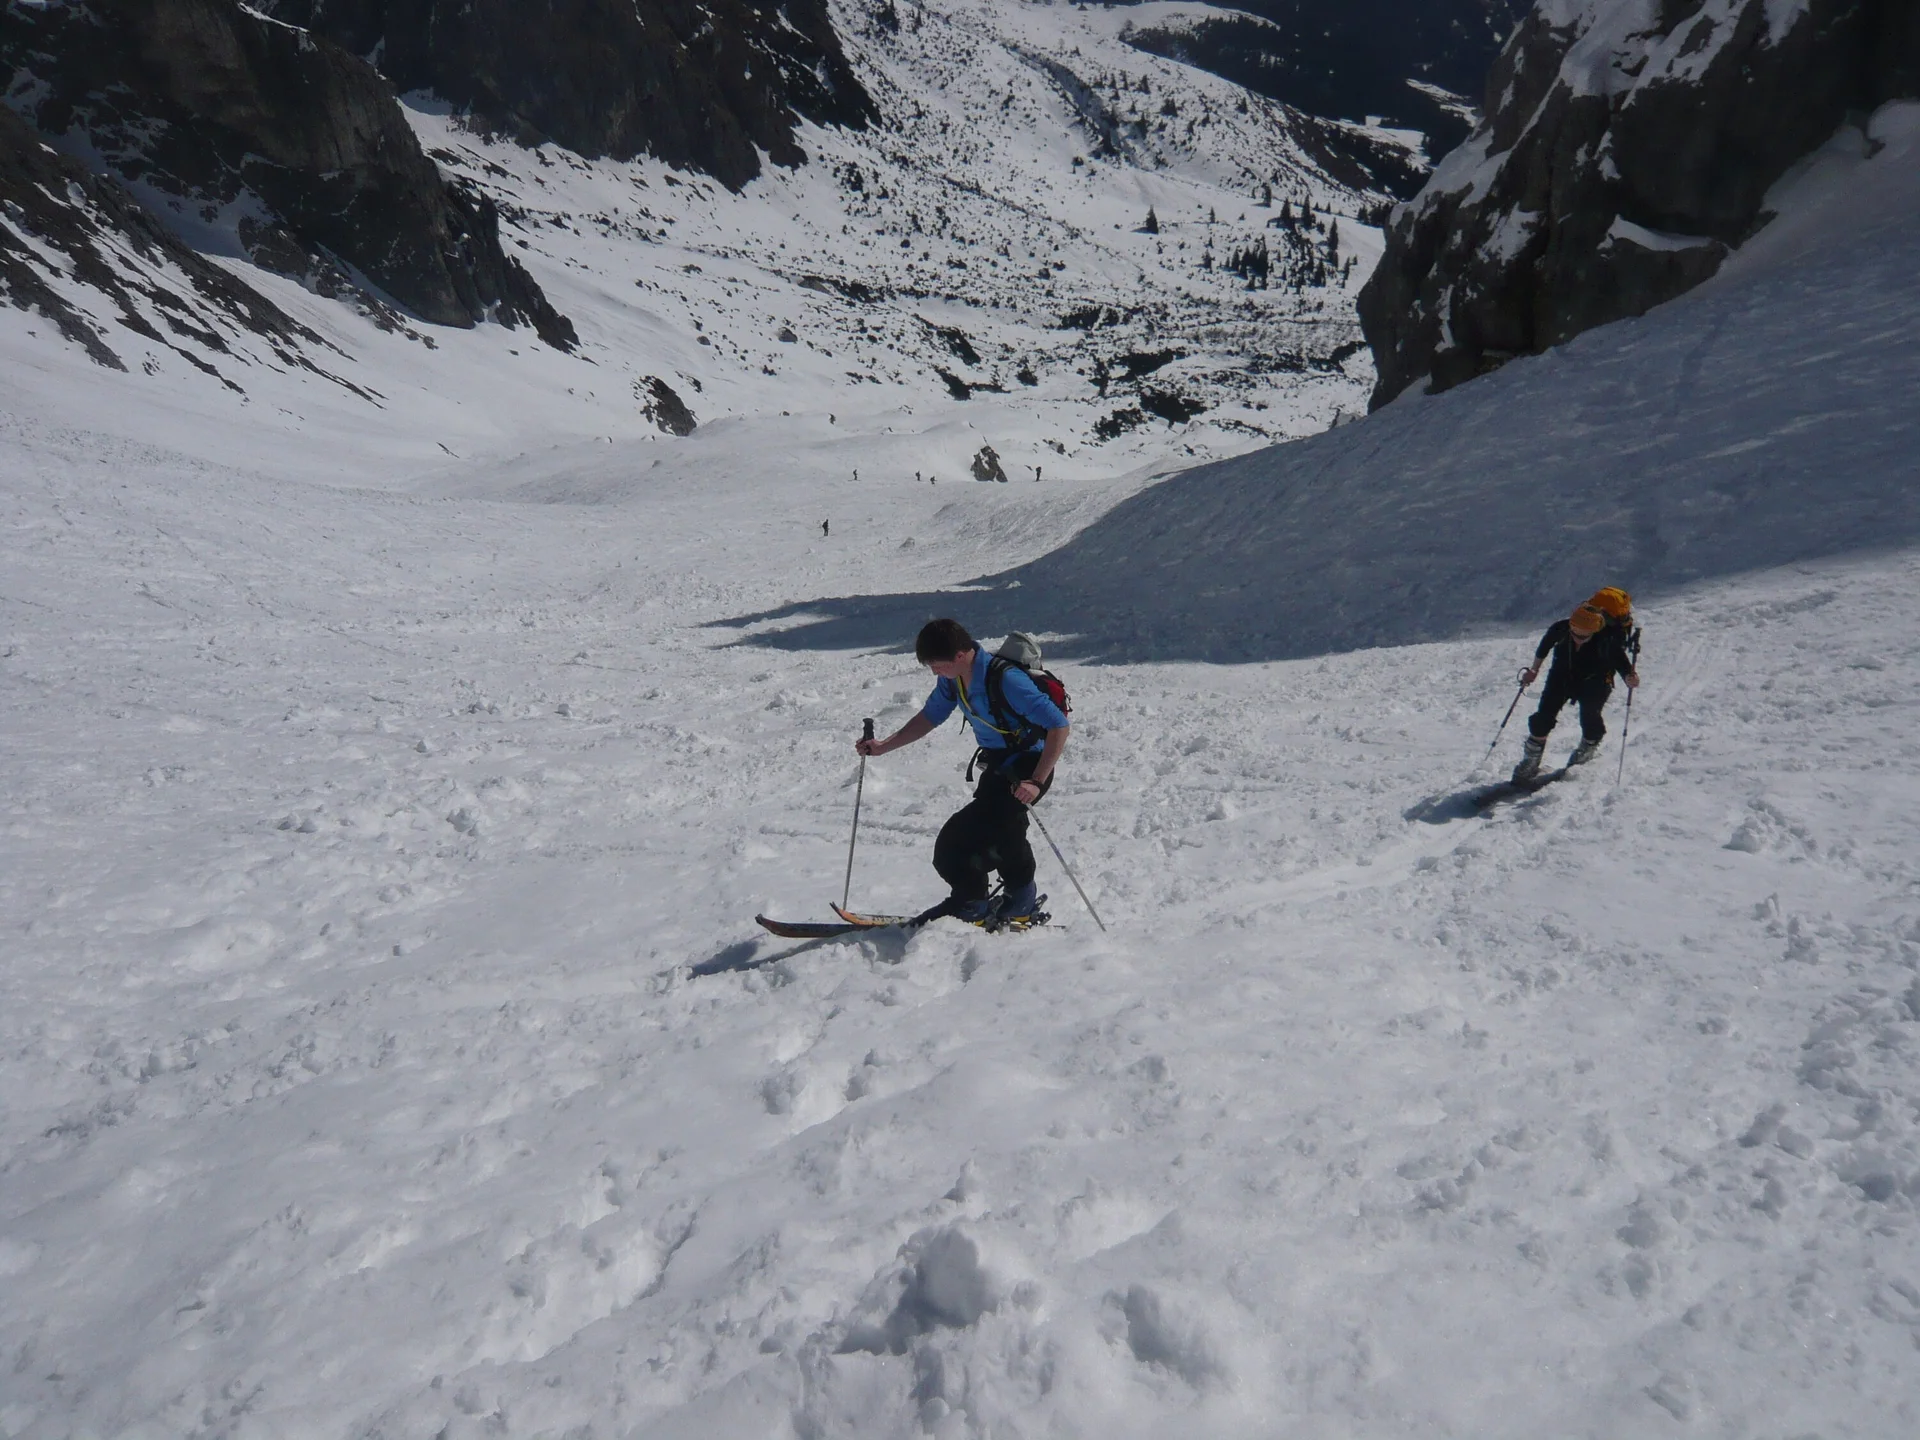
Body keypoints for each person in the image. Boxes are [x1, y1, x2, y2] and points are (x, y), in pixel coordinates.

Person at [855, 618, 1069, 926]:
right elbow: (930, 716)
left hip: (1029, 767)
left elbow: (1059, 725)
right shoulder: (953, 680)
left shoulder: (1008, 681)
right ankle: (1014, 903)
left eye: (937, 665)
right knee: (1004, 834)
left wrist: (1035, 781)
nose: (934, 672)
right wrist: (882, 746)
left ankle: (973, 904)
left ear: (959, 655)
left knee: (956, 845)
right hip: (999, 765)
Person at [1513, 602, 1640, 780]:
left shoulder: (1607, 639)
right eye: (1575, 633)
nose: (1577, 638)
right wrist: (1534, 670)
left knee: (1590, 715)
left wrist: (1629, 677)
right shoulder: (1561, 629)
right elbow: (1544, 647)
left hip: (1595, 681)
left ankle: (1588, 745)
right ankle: (1531, 760)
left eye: (1583, 636)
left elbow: (1621, 661)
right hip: (1560, 677)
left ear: (1595, 630)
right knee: (1543, 716)